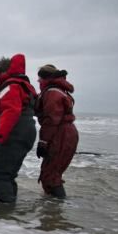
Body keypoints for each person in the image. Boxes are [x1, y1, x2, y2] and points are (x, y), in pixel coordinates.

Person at [0, 53, 37, 203]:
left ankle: (5, 214)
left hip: (14, 134)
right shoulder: (24, 86)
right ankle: (10, 212)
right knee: (8, 174)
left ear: (3, 72)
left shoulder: (10, 86)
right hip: (25, 132)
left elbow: (11, 111)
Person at [35, 64, 79, 198]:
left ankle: (56, 213)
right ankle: (53, 210)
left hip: (61, 134)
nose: (38, 82)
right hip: (66, 133)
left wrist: (43, 142)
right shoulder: (59, 91)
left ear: (46, 79)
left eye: (40, 79)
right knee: (52, 173)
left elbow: (51, 120)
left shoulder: (52, 93)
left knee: (50, 176)